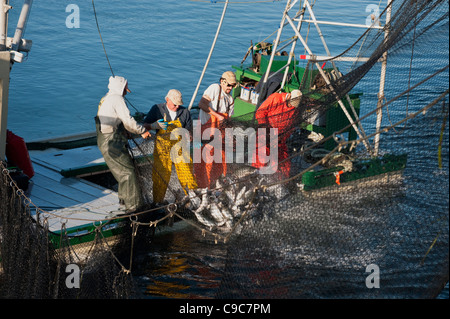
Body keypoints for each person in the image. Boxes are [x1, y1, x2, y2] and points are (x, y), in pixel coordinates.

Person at [96, 75, 151, 213]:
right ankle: (135, 209)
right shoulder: (117, 99)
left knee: (123, 170)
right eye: (126, 87)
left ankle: (124, 203)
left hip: (108, 138)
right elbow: (128, 121)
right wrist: (142, 131)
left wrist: (124, 132)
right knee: (128, 172)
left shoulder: (107, 98)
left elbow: (113, 119)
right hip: (111, 141)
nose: (127, 90)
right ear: (121, 87)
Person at [143, 89, 197, 204]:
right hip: (162, 148)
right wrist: (151, 127)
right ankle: (157, 202)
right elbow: (145, 125)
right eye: (174, 104)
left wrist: (189, 136)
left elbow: (189, 131)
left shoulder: (185, 112)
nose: (177, 107)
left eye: (179, 104)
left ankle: (193, 199)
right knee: (161, 175)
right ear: (167, 99)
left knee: (187, 172)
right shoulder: (157, 109)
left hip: (180, 147)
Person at [195, 71, 236, 188]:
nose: (230, 88)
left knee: (220, 162)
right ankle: (203, 187)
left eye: (233, 86)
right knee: (204, 162)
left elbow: (228, 121)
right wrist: (217, 116)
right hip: (204, 133)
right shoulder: (214, 88)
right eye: (228, 85)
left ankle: (215, 186)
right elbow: (202, 104)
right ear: (222, 82)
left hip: (219, 135)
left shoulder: (230, 100)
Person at [252, 89, 302, 178]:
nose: (291, 106)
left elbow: (292, 126)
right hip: (265, 136)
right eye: (291, 104)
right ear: (289, 96)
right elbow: (260, 113)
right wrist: (266, 130)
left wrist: (283, 138)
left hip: (279, 139)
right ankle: (256, 179)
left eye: (294, 106)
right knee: (260, 160)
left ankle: (280, 182)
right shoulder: (275, 98)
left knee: (284, 165)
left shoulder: (296, 109)